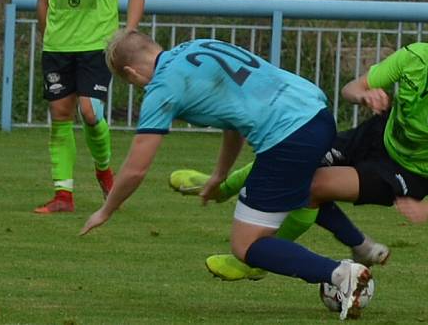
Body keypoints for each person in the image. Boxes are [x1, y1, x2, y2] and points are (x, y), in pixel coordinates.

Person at [79, 30, 374, 320]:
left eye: (131, 82)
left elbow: (135, 168)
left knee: (245, 245)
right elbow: (234, 115)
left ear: (131, 73)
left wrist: (106, 210)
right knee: (304, 199)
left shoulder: (162, 88)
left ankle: (340, 274)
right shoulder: (200, 45)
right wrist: (219, 175)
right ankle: (360, 249)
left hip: (288, 136)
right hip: (316, 112)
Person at [171, 18, 428, 282]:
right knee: (294, 160)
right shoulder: (413, 57)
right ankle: (223, 188)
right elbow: (352, 88)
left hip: (409, 173)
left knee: (314, 185)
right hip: (375, 137)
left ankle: (257, 259)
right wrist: (364, 96)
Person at [33, 0, 144, 213]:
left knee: (90, 111)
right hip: (57, 46)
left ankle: (104, 170)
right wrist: (47, 36)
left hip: (97, 45)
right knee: (60, 114)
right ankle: (63, 195)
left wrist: (128, 33)